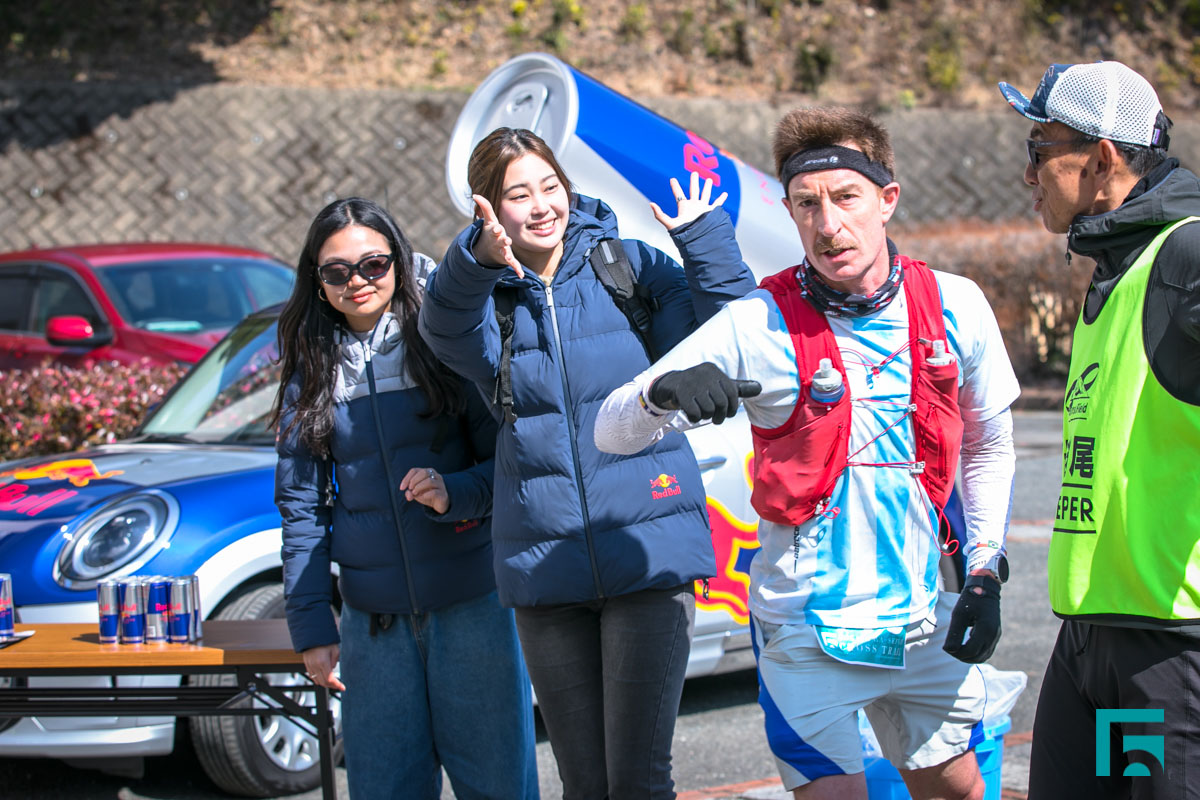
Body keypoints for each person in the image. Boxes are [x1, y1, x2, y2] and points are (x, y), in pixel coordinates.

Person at [593, 107, 1020, 800]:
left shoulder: (956, 304)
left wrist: (983, 569)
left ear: (887, 199)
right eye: (807, 204)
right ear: (789, 211)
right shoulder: (756, 321)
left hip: (920, 618)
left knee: (961, 793)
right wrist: (660, 393)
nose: (828, 225)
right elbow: (610, 432)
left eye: (847, 197)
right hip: (804, 628)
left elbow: (989, 445)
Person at [418, 127, 757, 798]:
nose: (542, 205)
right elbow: (442, 326)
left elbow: (736, 331)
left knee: (637, 780)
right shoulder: (486, 301)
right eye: (519, 194)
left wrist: (704, 238)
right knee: (583, 784)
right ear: (488, 208)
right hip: (546, 570)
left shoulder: (627, 266)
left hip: (647, 554)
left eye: (551, 186)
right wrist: (476, 258)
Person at [272, 197, 538, 800]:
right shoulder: (309, 367)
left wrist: (453, 493)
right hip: (373, 627)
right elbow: (301, 508)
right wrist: (312, 625)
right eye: (337, 271)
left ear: (397, 259)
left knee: (500, 788)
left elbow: (510, 460)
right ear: (317, 281)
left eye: (373, 264)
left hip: (474, 608)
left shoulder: (445, 337)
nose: (357, 281)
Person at [997, 61, 1200, 798]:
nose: (1029, 174)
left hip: (1166, 648)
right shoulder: (1120, 265)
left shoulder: (1185, 256)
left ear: (1104, 158)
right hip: (1097, 636)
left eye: (1040, 150)